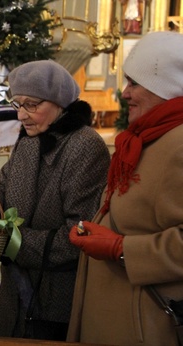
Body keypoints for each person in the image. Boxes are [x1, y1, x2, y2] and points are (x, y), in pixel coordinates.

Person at [0, 60, 110, 341]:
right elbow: (6, 180)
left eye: (32, 104)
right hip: (17, 286)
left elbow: (79, 233)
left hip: (56, 293)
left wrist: (10, 241)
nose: (22, 115)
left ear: (59, 102)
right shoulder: (32, 135)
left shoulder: (85, 145)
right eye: (17, 104)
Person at [68, 31, 183, 346]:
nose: (125, 93)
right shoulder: (147, 136)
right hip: (116, 310)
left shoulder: (179, 144)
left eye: (134, 83)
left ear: (165, 86)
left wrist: (121, 249)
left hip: (146, 322)